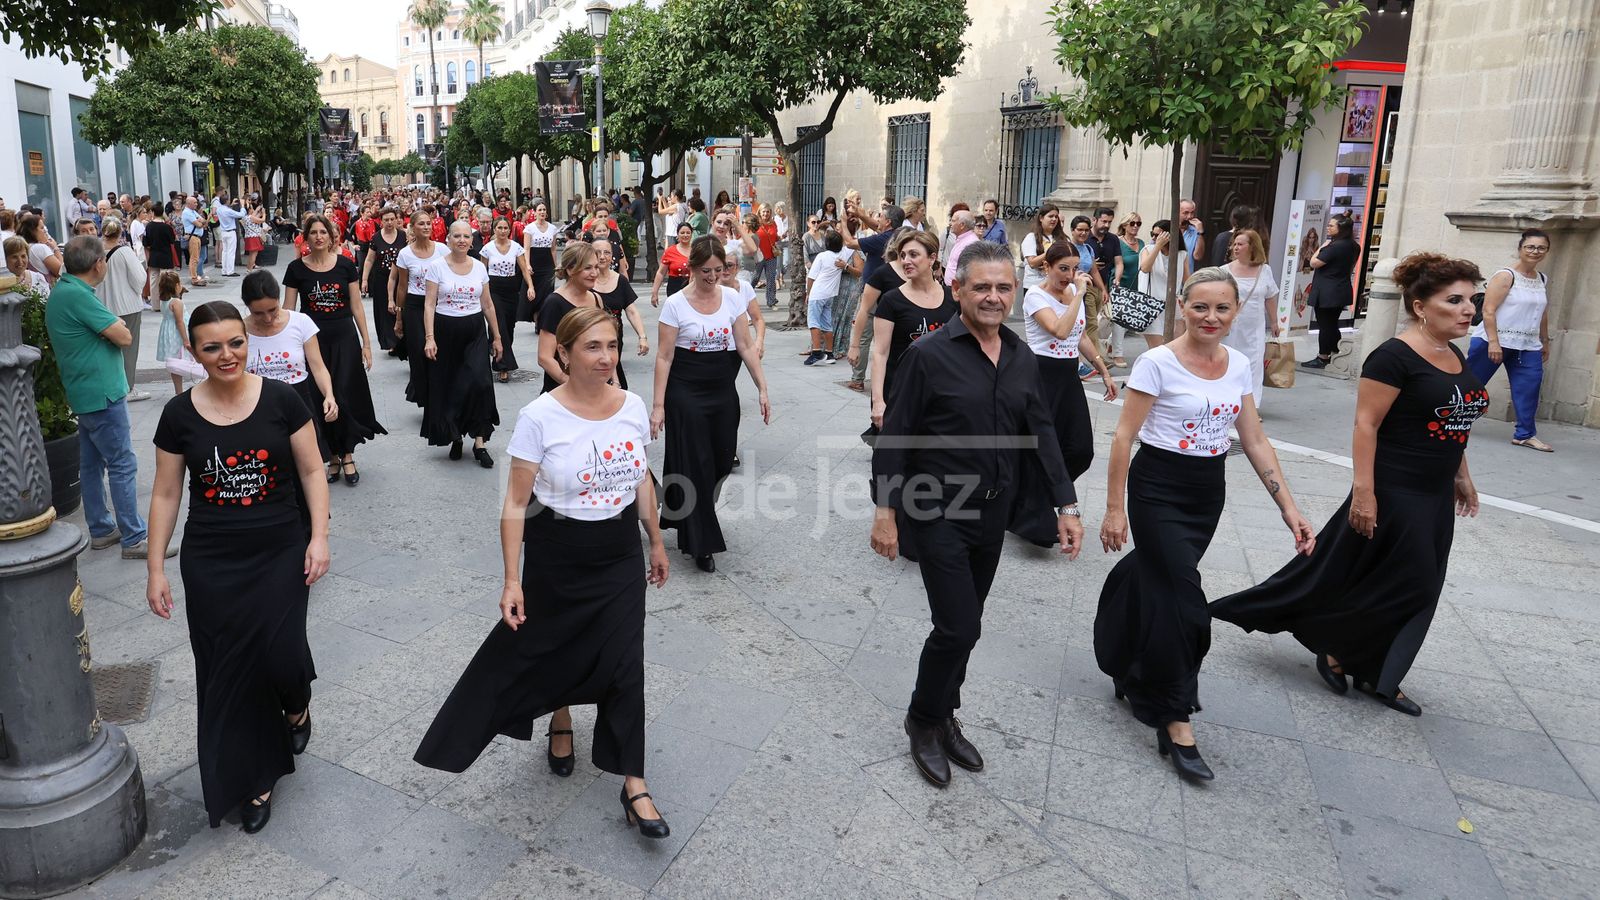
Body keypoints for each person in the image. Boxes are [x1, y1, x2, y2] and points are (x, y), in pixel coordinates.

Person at [415, 307, 671, 839]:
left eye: (612, 346)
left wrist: (656, 541)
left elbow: (642, 479)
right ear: (565, 353)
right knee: (554, 647)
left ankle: (635, 782)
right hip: (558, 552)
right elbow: (515, 502)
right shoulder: (540, 417)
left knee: (627, 665)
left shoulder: (632, 405)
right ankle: (559, 716)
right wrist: (512, 578)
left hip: (619, 553)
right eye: (593, 347)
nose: (606, 358)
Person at [1213, 253, 1487, 719]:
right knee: (1414, 582)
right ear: (1420, 306)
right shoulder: (1393, 357)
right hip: (1397, 488)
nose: (1468, 310)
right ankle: (1339, 649)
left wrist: (1462, 476)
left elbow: (1453, 422)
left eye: (1471, 300)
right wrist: (1365, 491)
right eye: (1454, 300)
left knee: (1402, 579)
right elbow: (1366, 425)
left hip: (1436, 487)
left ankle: (1378, 672)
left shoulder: (1453, 353)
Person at [870, 240, 1085, 787]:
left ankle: (945, 712)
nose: (993, 297)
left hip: (995, 512)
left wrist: (1066, 503)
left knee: (969, 624)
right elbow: (894, 439)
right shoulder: (928, 356)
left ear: (1015, 292)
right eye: (981, 287)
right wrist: (885, 513)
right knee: (957, 624)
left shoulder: (1019, 356)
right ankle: (922, 719)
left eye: (1003, 287)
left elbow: (1041, 434)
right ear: (958, 289)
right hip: (938, 508)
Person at [1095, 267, 1316, 782]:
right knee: (1187, 607)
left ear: (1236, 310)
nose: (1211, 317)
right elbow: (1124, 438)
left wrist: (1289, 508)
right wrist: (1114, 508)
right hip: (1157, 487)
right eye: (1200, 307)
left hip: (1205, 492)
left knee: (1158, 579)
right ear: (1181, 306)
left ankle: (1125, 661)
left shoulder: (1238, 364)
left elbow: (1254, 439)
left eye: (1222, 308)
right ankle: (1174, 717)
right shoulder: (1156, 363)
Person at [145, 300, 330, 834]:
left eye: (236, 342)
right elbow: (164, 494)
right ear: (195, 352)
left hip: (279, 550)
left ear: (248, 341)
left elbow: (314, 471)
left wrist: (318, 537)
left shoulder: (282, 400)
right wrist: (156, 567)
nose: (227, 355)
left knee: (281, 656)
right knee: (231, 671)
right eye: (212, 347)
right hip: (211, 560)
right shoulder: (178, 415)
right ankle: (255, 778)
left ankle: (296, 705)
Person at [651, 237, 772, 573]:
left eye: (720, 270)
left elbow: (745, 347)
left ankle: (680, 505)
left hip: (722, 390)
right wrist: (658, 406)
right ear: (692, 268)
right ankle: (701, 543)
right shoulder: (675, 305)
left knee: (720, 460)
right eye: (707, 270)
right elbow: (664, 357)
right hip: (684, 391)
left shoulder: (732, 298)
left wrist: (762, 388)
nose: (714, 276)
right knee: (697, 464)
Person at [45, 236, 169, 558]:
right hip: (102, 392)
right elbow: (124, 335)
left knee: (90, 464)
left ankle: (101, 529)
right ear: (98, 263)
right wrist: (111, 329)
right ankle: (133, 537)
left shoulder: (65, 291)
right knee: (122, 463)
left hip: (84, 391)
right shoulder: (79, 296)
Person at [1016, 242, 1117, 532]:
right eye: (1063, 268)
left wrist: (1102, 369)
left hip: (1068, 377)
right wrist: (1080, 295)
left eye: (1075, 269)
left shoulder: (1073, 292)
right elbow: (1059, 330)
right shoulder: (1035, 296)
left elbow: (1079, 334)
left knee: (1080, 448)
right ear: (1046, 267)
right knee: (1042, 446)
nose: (1070, 275)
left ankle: (1048, 493)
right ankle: (1033, 511)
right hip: (1041, 376)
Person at [283, 214, 387, 484]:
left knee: (344, 394)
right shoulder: (296, 270)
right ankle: (331, 456)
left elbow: (356, 306)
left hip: (344, 339)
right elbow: (288, 311)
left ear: (331, 237)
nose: (319, 236)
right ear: (306, 238)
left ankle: (348, 453)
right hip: (312, 343)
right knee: (318, 400)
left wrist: (366, 343)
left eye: (323, 232)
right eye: (313, 232)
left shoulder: (345, 265)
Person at [423, 221, 503, 466]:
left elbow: (488, 304)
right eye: (456, 235)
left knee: (480, 383)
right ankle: (455, 436)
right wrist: (429, 337)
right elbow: (429, 304)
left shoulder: (479, 268)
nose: (461, 240)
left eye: (466, 236)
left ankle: (480, 442)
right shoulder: (437, 267)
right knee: (452, 386)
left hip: (474, 331)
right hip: (446, 331)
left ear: (472, 240)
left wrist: (497, 337)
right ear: (448, 238)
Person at [1467, 229, 1553, 452]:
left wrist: (1545, 340)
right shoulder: (1506, 276)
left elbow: (1542, 312)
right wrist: (1494, 342)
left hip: (1527, 345)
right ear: (1520, 249)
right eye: (1530, 247)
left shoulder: (1541, 278)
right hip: (1493, 342)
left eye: (1541, 248)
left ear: (1546, 251)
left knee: (1529, 387)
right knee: (1469, 385)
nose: (1535, 251)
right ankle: (1447, 418)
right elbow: (1488, 310)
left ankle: (1525, 434)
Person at [242, 270, 340, 464]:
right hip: (257, 404)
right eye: (258, 313)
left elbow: (317, 366)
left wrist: (329, 395)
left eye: (272, 310)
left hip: (298, 400)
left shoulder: (300, 322)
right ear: (247, 307)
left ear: (279, 299)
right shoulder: (238, 330)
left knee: (307, 464)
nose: (268, 318)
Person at [868, 231, 956, 443]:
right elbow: (880, 353)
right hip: (900, 392)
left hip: (941, 394)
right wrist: (878, 401)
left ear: (932, 258)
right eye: (903, 255)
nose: (906, 261)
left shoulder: (953, 298)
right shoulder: (891, 301)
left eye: (913, 255)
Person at [94, 218, 152, 402]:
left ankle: (109, 385)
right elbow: (139, 278)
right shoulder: (125, 252)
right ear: (120, 232)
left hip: (102, 306)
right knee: (128, 348)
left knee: (107, 349)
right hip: (127, 306)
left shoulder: (95, 251)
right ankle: (127, 387)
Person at [538, 242, 608, 394]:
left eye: (596, 267)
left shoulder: (597, 299)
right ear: (570, 269)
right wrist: (570, 383)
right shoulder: (554, 303)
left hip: (596, 383)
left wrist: (613, 380)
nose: (595, 273)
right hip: (565, 390)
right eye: (588, 268)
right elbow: (544, 357)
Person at [847, 229, 911, 393]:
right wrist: (854, 346)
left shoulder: (919, 274)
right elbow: (864, 309)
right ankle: (858, 378)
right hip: (881, 322)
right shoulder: (882, 274)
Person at [1221, 229, 1276, 409]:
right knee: (1229, 363)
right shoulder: (1224, 271)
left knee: (1253, 365)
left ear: (1252, 246)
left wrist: (1275, 322)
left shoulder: (1264, 270)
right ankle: (1227, 402)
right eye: (1234, 244)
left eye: (1240, 244)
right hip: (1231, 326)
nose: (1235, 247)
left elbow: (1270, 296)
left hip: (1254, 326)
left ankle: (1250, 408)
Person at [392, 207, 441, 406]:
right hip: (414, 306)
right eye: (421, 223)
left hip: (439, 305)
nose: (426, 226)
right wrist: (398, 317)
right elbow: (402, 287)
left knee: (439, 350)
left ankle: (439, 393)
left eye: (428, 223)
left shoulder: (442, 250)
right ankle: (425, 396)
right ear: (412, 228)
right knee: (419, 352)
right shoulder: (405, 254)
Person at [478, 215, 533, 383]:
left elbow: (524, 270)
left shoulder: (516, 247)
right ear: (494, 230)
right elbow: (482, 272)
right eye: (499, 228)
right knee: (500, 324)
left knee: (509, 327)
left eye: (505, 228)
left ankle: (494, 345)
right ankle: (503, 366)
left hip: (511, 291)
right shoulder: (487, 249)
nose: (502, 231)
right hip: (493, 290)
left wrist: (530, 287)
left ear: (510, 230)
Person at [1300, 214, 1358, 369]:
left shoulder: (1335, 246)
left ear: (1341, 229)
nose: (1328, 227)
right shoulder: (1353, 245)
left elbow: (1313, 262)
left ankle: (1323, 356)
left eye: (1332, 226)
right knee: (1332, 323)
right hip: (1341, 288)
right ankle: (1335, 351)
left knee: (1325, 324)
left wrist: (1323, 246)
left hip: (1327, 291)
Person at [593, 238, 648, 390]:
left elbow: (631, 310)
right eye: (597, 252)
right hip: (590, 337)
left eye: (607, 252)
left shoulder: (620, 281)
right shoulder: (586, 280)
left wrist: (642, 337)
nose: (602, 256)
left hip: (614, 337)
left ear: (612, 257)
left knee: (612, 370)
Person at [361, 207, 407, 355]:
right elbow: (369, 259)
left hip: (400, 279)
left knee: (400, 309)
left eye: (392, 219)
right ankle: (390, 341)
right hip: (381, 279)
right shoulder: (376, 238)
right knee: (385, 312)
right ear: (381, 221)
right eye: (386, 220)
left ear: (396, 220)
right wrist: (364, 280)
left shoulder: (403, 236)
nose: (389, 222)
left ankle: (401, 342)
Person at [153, 272, 206, 395]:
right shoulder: (176, 302)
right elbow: (180, 321)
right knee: (191, 357)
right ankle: (201, 381)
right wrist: (186, 339)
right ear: (176, 285)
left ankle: (178, 391)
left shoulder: (164, 301)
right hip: (178, 334)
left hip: (168, 333)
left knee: (175, 363)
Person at [804, 230, 848, 366]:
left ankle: (816, 352)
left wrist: (808, 294)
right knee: (827, 324)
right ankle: (829, 353)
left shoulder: (822, 256)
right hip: (830, 295)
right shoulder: (843, 254)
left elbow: (811, 277)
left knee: (813, 323)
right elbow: (848, 242)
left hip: (817, 294)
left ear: (826, 243)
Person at [1107, 212, 1146, 367]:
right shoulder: (1117, 242)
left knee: (1128, 321)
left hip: (1137, 286)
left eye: (1138, 223)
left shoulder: (1142, 243)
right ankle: (1117, 354)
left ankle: (1110, 344)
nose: (1135, 226)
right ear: (1124, 225)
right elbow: (1114, 263)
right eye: (1132, 223)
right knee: (1119, 321)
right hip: (1119, 284)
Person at [1137, 220, 1178, 347]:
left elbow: (1187, 280)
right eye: (1152, 234)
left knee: (1172, 348)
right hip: (1150, 306)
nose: (1154, 238)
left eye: (1157, 235)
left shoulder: (1181, 254)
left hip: (1172, 306)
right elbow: (1145, 268)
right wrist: (1157, 246)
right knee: (1157, 348)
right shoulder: (1147, 249)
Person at [522, 201, 559, 323]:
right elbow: (526, 248)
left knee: (547, 291)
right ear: (535, 212)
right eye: (540, 210)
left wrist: (556, 265)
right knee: (537, 292)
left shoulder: (552, 228)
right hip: (534, 261)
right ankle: (537, 318)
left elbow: (553, 249)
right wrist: (527, 264)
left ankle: (545, 319)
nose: (542, 212)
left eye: (544, 210)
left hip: (547, 263)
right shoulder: (529, 228)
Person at [1020, 205, 1067, 290]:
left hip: (1055, 285)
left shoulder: (1062, 238)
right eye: (1050, 216)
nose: (1054, 219)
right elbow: (1032, 263)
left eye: (1056, 217)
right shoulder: (1031, 237)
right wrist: (1051, 251)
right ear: (1041, 218)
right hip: (1034, 286)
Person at [650, 222, 694, 307]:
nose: (685, 235)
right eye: (682, 233)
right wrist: (655, 292)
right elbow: (661, 273)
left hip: (692, 287)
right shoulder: (670, 251)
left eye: (688, 233)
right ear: (677, 234)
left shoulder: (697, 251)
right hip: (674, 286)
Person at [19, 214, 61, 291]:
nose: (45, 230)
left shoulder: (27, 247)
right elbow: (61, 271)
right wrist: (55, 248)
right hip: (49, 291)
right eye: (41, 228)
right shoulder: (40, 248)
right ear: (33, 231)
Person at [180, 195, 208, 286]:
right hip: (193, 237)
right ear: (188, 204)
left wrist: (201, 221)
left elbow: (204, 221)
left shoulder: (192, 211)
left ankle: (195, 276)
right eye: (195, 203)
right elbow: (199, 224)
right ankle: (194, 278)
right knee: (194, 258)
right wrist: (200, 221)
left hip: (197, 237)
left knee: (196, 257)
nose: (197, 204)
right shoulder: (187, 213)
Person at [756, 204, 781, 308]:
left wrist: (779, 237)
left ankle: (771, 300)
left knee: (771, 279)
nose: (765, 214)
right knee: (754, 278)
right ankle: (745, 298)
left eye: (768, 212)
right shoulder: (755, 224)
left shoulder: (773, 223)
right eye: (763, 211)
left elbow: (774, 237)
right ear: (759, 212)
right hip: (758, 255)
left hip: (771, 255)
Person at [241, 203, 267, 271]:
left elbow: (254, 216)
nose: (253, 210)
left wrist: (258, 211)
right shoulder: (251, 217)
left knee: (250, 254)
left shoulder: (245, 217)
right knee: (254, 255)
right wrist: (264, 214)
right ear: (249, 210)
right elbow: (262, 220)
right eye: (252, 208)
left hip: (248, 237)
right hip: (254, 237)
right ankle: (250, 270)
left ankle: (248, 268)